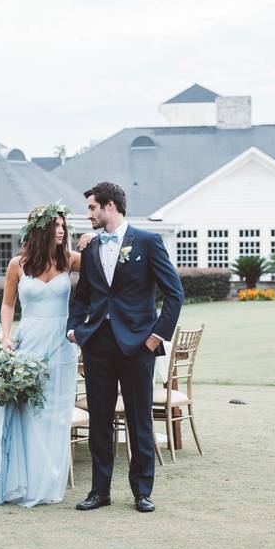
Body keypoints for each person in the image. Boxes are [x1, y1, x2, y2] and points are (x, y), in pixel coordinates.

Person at [67, 182, 183, 513]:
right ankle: (99, 492)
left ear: (110, 207)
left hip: (138, 346)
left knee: (139, 420)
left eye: (92, 207)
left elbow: (174, 294)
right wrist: (74, 328)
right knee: (99, 420)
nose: (88, 214)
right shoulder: (89, 247)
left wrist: (156, 336)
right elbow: (84, 295)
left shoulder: (147, 242)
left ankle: (142, 492)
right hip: (97, 346)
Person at [0, 202, 84, 507]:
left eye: (64, 226)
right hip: (30, 343)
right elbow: (8, 306)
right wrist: (5, 336)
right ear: (40, 230)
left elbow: (105, 267)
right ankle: (21, 482)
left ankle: (48, 483)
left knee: (55, 415)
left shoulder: (71, 260)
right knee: (27, 413)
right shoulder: (17, 265)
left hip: (62, 344)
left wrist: (92, 242)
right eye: (55, 226)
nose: (61, 231)